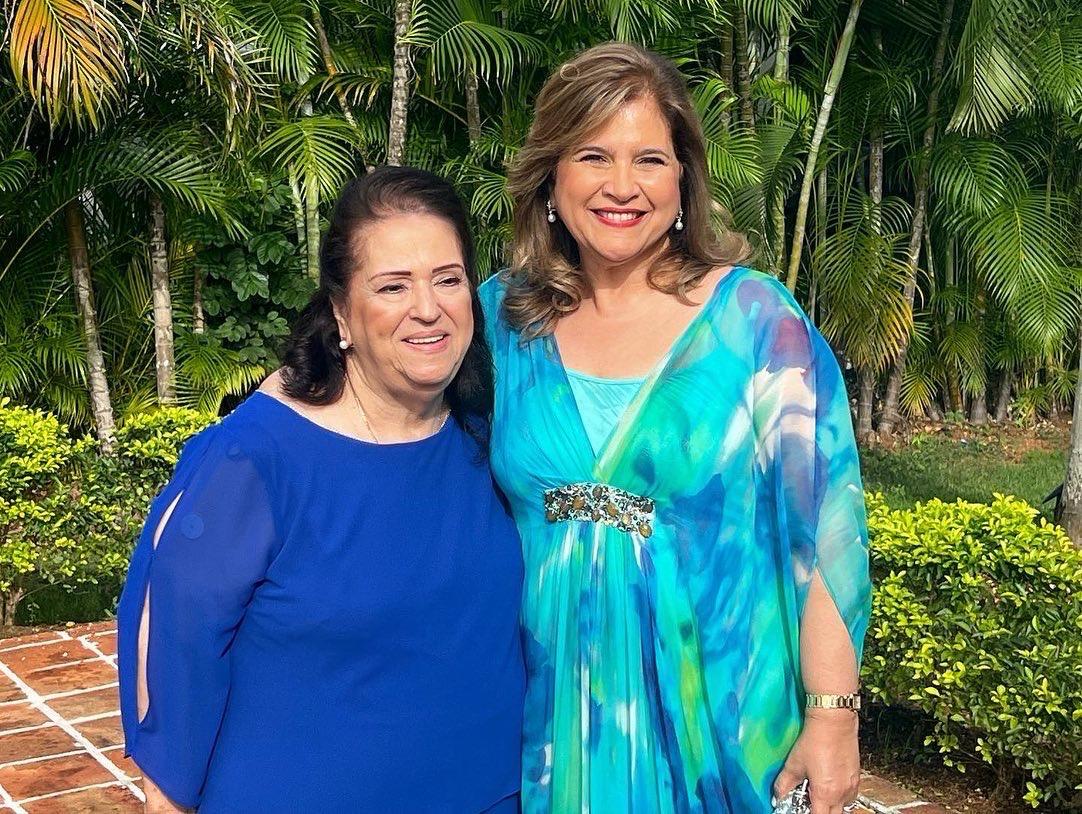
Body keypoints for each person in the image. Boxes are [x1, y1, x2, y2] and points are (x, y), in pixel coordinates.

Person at [480, 43, 872, 814]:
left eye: (650, 160)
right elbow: (389, 417)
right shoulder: (500, 320)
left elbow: (828, 531)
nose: (622, 186)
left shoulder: (754, 324)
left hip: (721, 729)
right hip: (542, 723)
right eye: (593, 155)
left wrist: (834, 718)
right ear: (551, 178)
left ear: (683, 180)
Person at [117, 166, 525, 813]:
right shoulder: (256, 458)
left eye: (448, 279)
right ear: (341, 313)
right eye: (393, 285)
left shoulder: (489, 435)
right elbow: (173, 646)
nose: (428, 308)